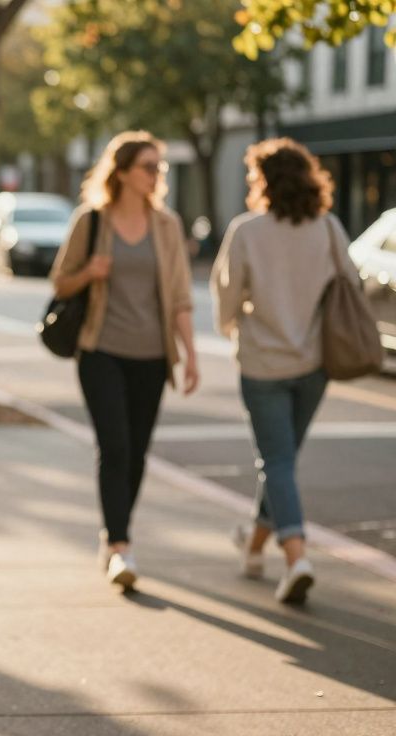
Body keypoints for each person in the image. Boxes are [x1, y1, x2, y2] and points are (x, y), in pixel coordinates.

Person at [49, 131, 198, 592]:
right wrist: (89, 273)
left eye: (160, 167)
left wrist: (190, 354)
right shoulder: (92, 220)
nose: (156, 175)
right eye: (149, 166)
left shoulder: (167, 225)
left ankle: (114, 533)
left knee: (135, 453)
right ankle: (120, 545)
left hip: (152, 356)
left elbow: (178, 296)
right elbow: (60, 282)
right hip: (101, 351)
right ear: (124, 172)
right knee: (114, 447)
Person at [211, 138, 357, 604]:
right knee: (283, 461)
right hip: (315, 363)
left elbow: (226, 301)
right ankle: (253, 546)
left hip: (263, 364)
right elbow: (351, 284)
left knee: (277, 461)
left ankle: (296, 558)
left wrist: (235, 330)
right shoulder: (328, 227)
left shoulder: (247, 231)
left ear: (265, 182)